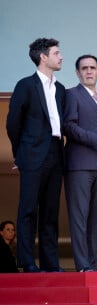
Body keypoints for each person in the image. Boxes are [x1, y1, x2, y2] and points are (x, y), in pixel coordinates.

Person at [6, 37, 65, 273]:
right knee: (28, 210)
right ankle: (28, 262)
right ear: (43, 57)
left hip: (56, 152)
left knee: (51, 212)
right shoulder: (25, 85)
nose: (61, 57)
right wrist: (19, 155)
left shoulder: (60, 89)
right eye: (57, 53)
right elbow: (13, 124)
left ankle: (51, 263)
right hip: (31, 155)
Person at [63, 55, 97, 272]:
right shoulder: (71, 94)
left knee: (95, 220)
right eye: (84, 68)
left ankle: (92, 265)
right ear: (77, 73)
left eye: (93, 67)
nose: (89, 71)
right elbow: (69, 126)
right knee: (79, 218)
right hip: (80, 165)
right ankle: (83, 266)